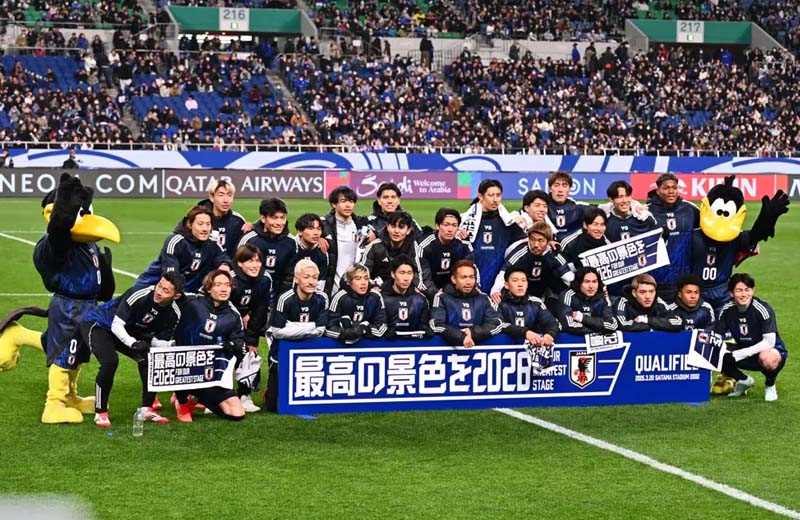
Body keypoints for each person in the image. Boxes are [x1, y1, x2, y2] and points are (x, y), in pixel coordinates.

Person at [32, 174, 117, 424]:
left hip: (88, 306)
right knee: (63, 355)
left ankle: (70, 396)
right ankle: (54, 404)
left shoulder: (87, 242)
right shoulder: (57, 243)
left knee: (78, 353)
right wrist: (65, 207)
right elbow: (58, 230)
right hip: (69, 307)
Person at [87, 273, 184, 427]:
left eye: (166, 290)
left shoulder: (174, 313)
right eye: (159, 285)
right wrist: (133, 343)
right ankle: (101, 412)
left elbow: (157, 341)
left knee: (151, 359)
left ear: (176, 295)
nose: (159, 292)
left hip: (129, 331)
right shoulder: (139, 294)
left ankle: (147, 409)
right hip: (101, 324)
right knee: (110, 362)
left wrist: (171, 346)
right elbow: (117, 324)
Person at [172, 270, 246, 422]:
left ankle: (196, 397)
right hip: (185, 369)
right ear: (208, 288)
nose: (224, 289)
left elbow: (240, 344)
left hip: (210, 374)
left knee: (236, 413)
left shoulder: (233, 315)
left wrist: (231, 345)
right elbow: (167, 300)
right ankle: (182, 401)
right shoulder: (192, 301)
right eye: (218, 285)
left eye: (227, 285)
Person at [265, 259, 329, 413]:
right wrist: (310, 327)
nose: (311, 282)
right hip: (281, 354)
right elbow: (277, 331)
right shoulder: (285, 299)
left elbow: (320, 330)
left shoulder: (322, 298)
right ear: (296, 279)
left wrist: (292, 327)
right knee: (273, 406)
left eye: (315, 277)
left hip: (310, 354)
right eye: (306, 277)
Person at [715, 273, 787, 401]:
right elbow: (717, 336)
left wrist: (739, 354)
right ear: (731, 293)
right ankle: (743, 380)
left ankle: (770, 385)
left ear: (752, 291)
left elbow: (769, 342)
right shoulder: (727, 310)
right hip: (744, 350)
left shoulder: (763, 309)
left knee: (767, 358)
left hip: (770, 351)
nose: (744, 294)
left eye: (747, 290)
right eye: (739, 290)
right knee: (713, 352)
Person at [136, 205, 230, 293]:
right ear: (189, 224)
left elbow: (222, 257)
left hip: (184, 292)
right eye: (200, 224)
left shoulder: (212, 243)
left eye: (208, 224)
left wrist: (224, 265)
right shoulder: (175, 242)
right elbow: (171, 275)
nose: (205, 229)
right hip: (152, 288)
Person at [459, 179, 525, 292]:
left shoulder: (508, 222)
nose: (495, 200)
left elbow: (525, 242)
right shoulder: (466, 221)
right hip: (472, 280)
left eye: (498, 195)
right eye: (491, 195)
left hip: (498, 283)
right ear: (480, 196)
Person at [230, 245, 273, 413]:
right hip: (224, 320)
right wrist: (240, 316)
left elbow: (260, 310)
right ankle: (215, 397)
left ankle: (245, 395)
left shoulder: (265, 279)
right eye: (249, 261)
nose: (255, 265)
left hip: (249, 319)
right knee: (222, 354)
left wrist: (251, 339)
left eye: (257, 261)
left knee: (249, 353)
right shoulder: (230, 279)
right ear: (240, 263)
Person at [430, 260, 505, 348]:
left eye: (471, 277)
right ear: (454, 279)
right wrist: (461, 336)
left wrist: (472, 332)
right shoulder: (442, 297)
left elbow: (497, 323)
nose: (468, 282)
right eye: (463, 277)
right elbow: (436, 324)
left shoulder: (483, 298)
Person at [647, 173, 700, 296]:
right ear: (658, 190)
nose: (671, 191)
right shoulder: (647, 212)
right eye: (666, 188)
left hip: (684, 278)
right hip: (657, 278)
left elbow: (708, 229)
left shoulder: (690, 209)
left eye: (674, 188)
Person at [491, 222, 568, 304]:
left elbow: (568, 276)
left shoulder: (554, 253)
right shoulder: (520, 252)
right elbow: (503, 273)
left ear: (548, 241)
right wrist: (496, 290)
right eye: (532, 239)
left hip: (545, 295)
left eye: (540, 240)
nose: (536, 245)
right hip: (522, 297)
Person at [238, 198, 297, 297]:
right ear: (263, 218)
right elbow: (238, 270)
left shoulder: (291, 242)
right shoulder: (249, 240)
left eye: (282, 217)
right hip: (251, 295)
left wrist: (281, 298)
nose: (279, 223)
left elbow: (289, 277)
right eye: (274, 218)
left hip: (278, 295)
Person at [320, 186, 370, 295]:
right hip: (331, 285)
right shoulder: (323, 225)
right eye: (343, 201)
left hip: (354, 286)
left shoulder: (361, 224)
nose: (348, 205)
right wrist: (317, 239)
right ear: (334, 204)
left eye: (351, 201)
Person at [418, 208, 475, 300]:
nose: (450, 229)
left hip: (456, 290)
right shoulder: (425, 246)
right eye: (446, 225)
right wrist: (436, 294)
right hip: (430, 293)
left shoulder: (464, 245)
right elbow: (424, 277)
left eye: (454, 225)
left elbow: (471, 271)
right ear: (437, 226)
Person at [360, 210, 423, 290]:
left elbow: (417, 273)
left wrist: (415, 288)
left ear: (408, 230)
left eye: (401, 227)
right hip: (380, 291)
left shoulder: (413, 246)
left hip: (404, 291)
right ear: (387, 227)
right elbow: (362, 273)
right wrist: (371, 288)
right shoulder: (375, 246)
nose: (396, 231)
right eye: (393, 226)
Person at [498, 268, 559, 347]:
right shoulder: (498, 303)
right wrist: (525, 332)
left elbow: (552, 323)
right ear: (506, 285)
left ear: (527, 284)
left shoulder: (536, 303)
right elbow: (497, 325)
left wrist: (550, 334)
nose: (520, 284)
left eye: (523, 280)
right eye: (515, 280)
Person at [326, 264, 387, 344]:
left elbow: (382, 327)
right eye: (358, 279)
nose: (363, 283)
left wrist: (364, 329)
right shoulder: (340, 297)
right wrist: (347, 333)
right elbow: (329, 329)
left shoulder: (375, 297)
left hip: (368, 346)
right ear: (348, 281)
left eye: (366, 278)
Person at [193, 179, 248, 258]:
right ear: (212, 197)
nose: (226, 200)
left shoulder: (238, 220)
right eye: (221, 195)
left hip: (229, 265)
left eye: (229, 195)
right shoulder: (199, 218)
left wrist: (253, 227)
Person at [557, 266, 618, 335]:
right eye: (586, 282)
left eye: (594, 282)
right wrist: (599, 328)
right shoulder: (568, 295)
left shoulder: (602, 297)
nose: (591, 286)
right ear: (579, 283)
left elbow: (612, 325)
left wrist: (582, 318)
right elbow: (568, 324)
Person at [382, 256, 432, 339]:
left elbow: (423, 325)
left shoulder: (420, 299)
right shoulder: (381, 298)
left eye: (409, 273)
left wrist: (425, 329)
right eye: (402, 273)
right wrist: (386, 331)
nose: (406, 278)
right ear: (393, 274)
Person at [614, 274, 683, 332]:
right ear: (634, 293)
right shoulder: (623, 302)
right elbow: (621, 325)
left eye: (651, 291)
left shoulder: (658, 301)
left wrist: (647, 320)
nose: (648, 296)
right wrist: (654, 326)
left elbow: (677, 323)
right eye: (642, 292)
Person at [557, 208, 611, 274]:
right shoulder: (570, 243)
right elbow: (558, 268)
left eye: (602, 224)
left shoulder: (607, 244)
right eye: (595, 224)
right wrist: (576, 266)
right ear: (585, 225)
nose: (599, 229)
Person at [547, 171, 591, 241]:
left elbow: (602, 210)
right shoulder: (542, 206)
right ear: (550, 188)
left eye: (564, 186)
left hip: (573, 245)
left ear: (569, 189)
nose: (560, 190)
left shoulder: (577, 207)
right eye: (556, 185)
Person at [292, 213, 329, 292]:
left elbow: (321, 281)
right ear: (300, 231)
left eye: (319, 229)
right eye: (311, 228)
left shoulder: (322, 251)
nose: (316, 233)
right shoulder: (290, 248)